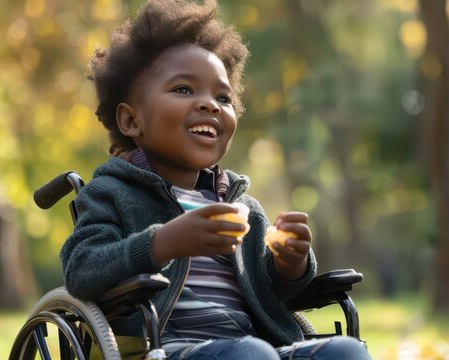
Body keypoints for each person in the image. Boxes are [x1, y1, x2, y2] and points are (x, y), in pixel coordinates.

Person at [60, 0, 371, 359]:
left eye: (222, 97)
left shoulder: (240, 207)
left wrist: (291, 266)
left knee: (344, 351)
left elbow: (270, 291)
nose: (210, 104)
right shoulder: (111, 192)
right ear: (132, 121)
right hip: (166, 347)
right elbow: (83, 269)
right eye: (184, 90)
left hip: (257, 346)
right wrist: (162, 243)